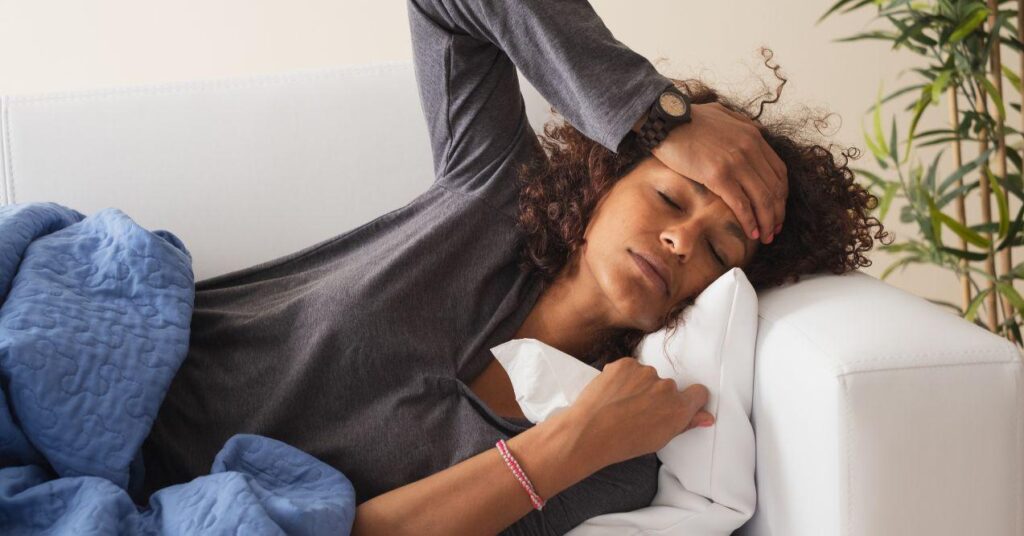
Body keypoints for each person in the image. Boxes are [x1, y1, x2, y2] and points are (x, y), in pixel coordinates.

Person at [140, 0, 891, 534]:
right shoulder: (493, 186)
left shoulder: (617, 449)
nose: (680, 241)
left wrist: (572, 443)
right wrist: (653, 113)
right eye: (669, 195)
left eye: (721, 250)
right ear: (607, 179)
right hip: (118, 381)